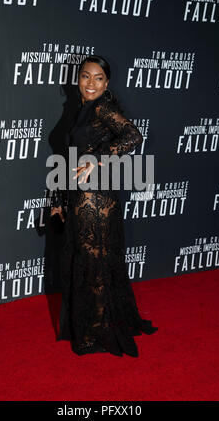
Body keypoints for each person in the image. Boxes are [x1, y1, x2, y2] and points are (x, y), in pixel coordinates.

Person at [50, 55, 158, 357]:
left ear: (107, 83)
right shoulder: (82, 111)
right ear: (78, 80)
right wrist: (59, 200)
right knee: (87, 263)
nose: (91, 83)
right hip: (81, 197)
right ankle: (94, 326)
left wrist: (99, 159)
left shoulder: (102, 108)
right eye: (86, 76)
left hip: (95, 199)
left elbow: (133, 135)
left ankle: (97, 332)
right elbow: (71, 159)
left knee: (93, 265)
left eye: (98, 78)